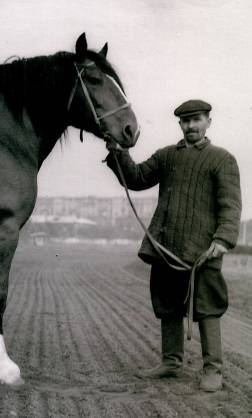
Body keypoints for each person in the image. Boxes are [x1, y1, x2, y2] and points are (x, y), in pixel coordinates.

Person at [105, 99, 241, 392]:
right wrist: (118, 151)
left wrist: (222, 240)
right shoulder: (167, 156)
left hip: (203, 251)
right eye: (186, 121)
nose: (191, 126)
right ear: (179, 124)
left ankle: (213, 369)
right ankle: (171, 362)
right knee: (167, 305)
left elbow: (230, 207)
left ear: (208, 122)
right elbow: (137, 178)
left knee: (206, 307)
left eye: (197, 120)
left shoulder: (222, 159)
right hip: (166, 245)